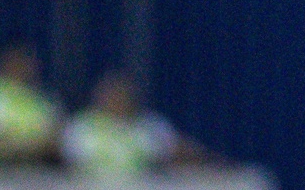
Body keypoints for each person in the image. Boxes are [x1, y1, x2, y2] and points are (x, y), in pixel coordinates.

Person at [62, 72, 202, 178]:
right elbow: (62, 163)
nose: (117, 100)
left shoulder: (151, 126)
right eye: (112, 95)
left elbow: (181, 152)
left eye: (122, 95)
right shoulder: (82, 126)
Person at [0, 44, 60, 165]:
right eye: (16, 62)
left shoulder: (42, 98)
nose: (21, 67)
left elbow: (54, 140)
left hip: (36, 170)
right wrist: (29, 147)